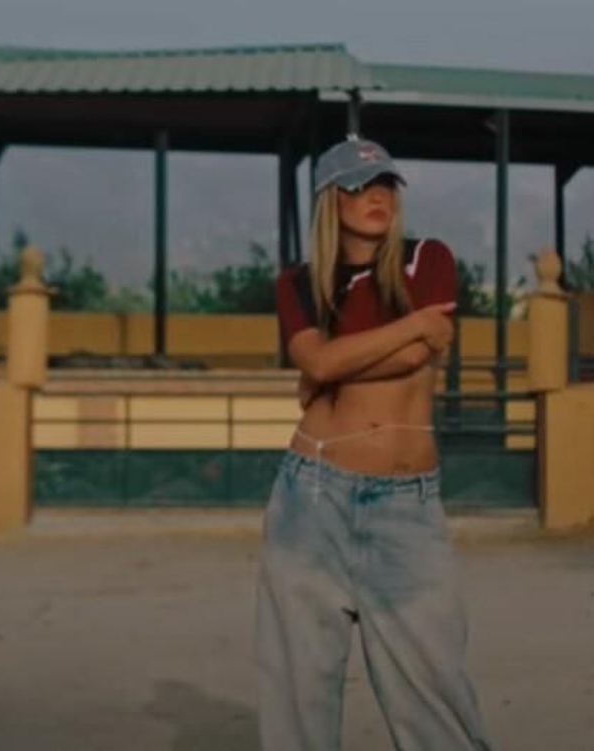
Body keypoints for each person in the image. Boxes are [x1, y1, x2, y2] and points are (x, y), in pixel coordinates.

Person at [260, 136, 494, 750]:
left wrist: (328, 367)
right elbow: (345, 354)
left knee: (434, 693)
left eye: (386, 184)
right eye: (359, 187)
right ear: (329, 201)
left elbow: (410, 354)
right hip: (309, 495)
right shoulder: (298, 282)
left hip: (404, 505)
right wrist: (406, 328)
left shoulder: (427, 260)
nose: (376, 197)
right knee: (299, 689)